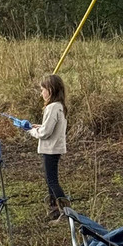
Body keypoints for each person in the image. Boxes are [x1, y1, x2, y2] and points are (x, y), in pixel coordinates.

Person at [24, 73, 69, 222]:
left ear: (51, 90)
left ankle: (66, 212)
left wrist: (31, 130)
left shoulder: (52, 107)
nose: (41, 93)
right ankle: (54, 211)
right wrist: (38, 126)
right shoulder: (60, 106)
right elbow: (49, 127)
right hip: (55, 148)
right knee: (50, 180)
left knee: (52, 181)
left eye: (43, 89)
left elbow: (45, 133)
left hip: (51, 149)